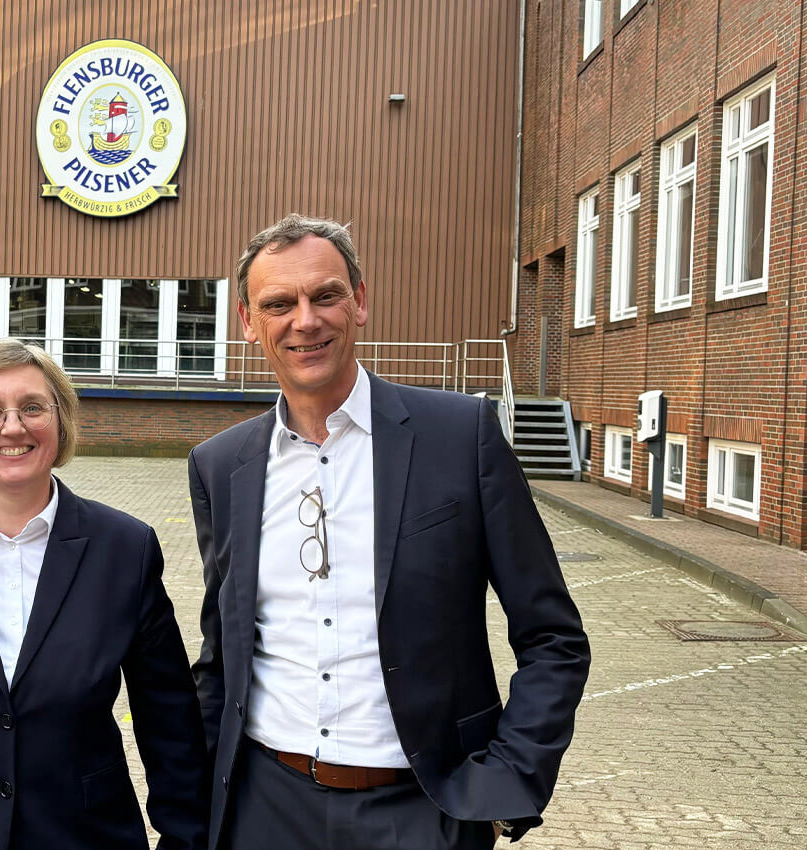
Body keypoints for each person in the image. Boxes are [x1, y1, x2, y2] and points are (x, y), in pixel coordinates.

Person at [187, 215, 591, 849]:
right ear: (247, 321)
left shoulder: (461, 437)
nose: (305, 320)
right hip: (263, 808)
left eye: (325, 296)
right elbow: (223, 657)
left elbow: (554, 639)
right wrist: (197, 811)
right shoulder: (220, 466)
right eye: (278, 304)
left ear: (361, 301)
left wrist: (505, 785)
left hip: (421, 809)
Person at [0, 339, 208, 850]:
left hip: (82, 832)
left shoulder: (125, 547)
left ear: (61, 421)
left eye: (33, 408)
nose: (13, 427)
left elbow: (168, 717)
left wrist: (184, 837)